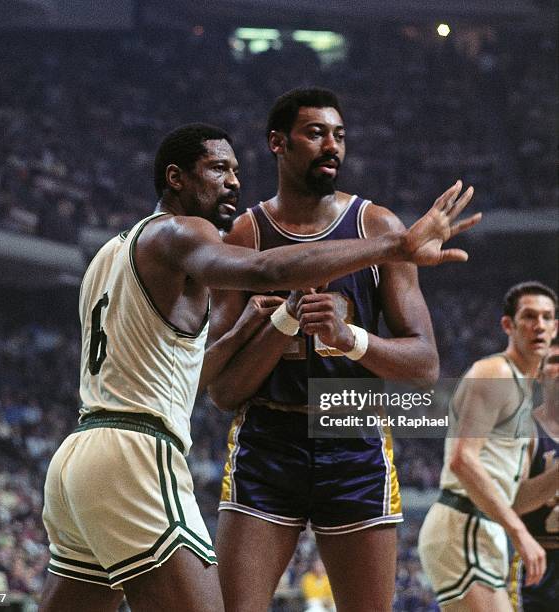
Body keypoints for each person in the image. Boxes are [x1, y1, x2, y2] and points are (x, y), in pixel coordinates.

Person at [39, 122, 479, 612]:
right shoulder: (184, 231)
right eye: (218, 169)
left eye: (237, 172)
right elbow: (264, 269)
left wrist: (260, 322)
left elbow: (195, 378)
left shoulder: (109, 254)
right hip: (134, 452)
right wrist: (394, 246)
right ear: (176, 178)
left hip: (77, 458)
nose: (233, 182)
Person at [206, 87, 470, 612]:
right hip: (267, 439)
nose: (332, 146)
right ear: (277, 143)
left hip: (352, 433)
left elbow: (424, 366)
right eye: (316, 133)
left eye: (339, 135)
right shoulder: (245, 234)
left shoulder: (379, 226)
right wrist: (283, 323)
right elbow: (223, 389)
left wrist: (352, 340)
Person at [418, 282, 557, 611]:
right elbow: (461, 461)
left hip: (482, 531)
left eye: (547, 317)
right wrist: (521, 533)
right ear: (508, 325)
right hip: (463, 526)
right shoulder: (494, 373)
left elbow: (517, 499)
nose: (539, 325)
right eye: (529, 316)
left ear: (555, 327)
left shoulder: (522, 391)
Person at [511, 337, 559, 611]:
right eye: (554, 362)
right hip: (538, 563)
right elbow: (514, 503)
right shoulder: (525, 430)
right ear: (540, 374)